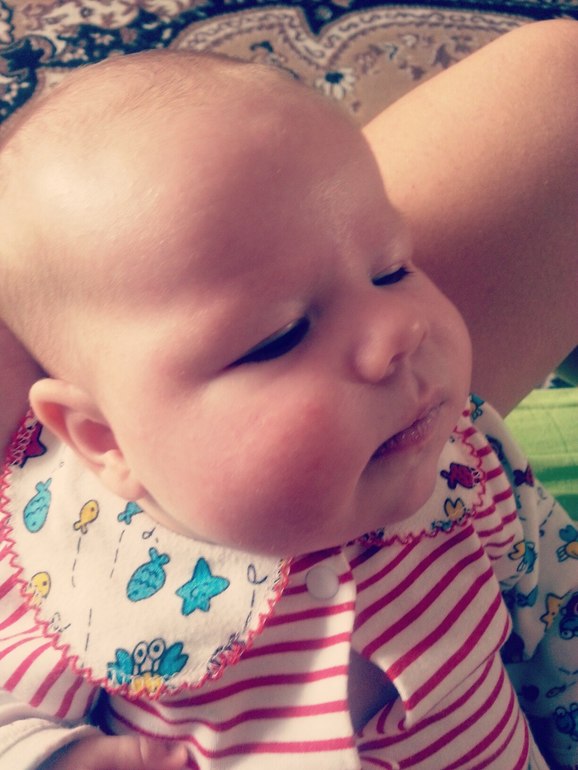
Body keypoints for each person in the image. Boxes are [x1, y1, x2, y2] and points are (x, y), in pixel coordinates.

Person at [0, 19, 576, 770]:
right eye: (279, 337)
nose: (398, 330)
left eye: (393, 268)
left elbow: (556, 610)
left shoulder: (464, 455)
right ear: (104, 438)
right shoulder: (72, 563)